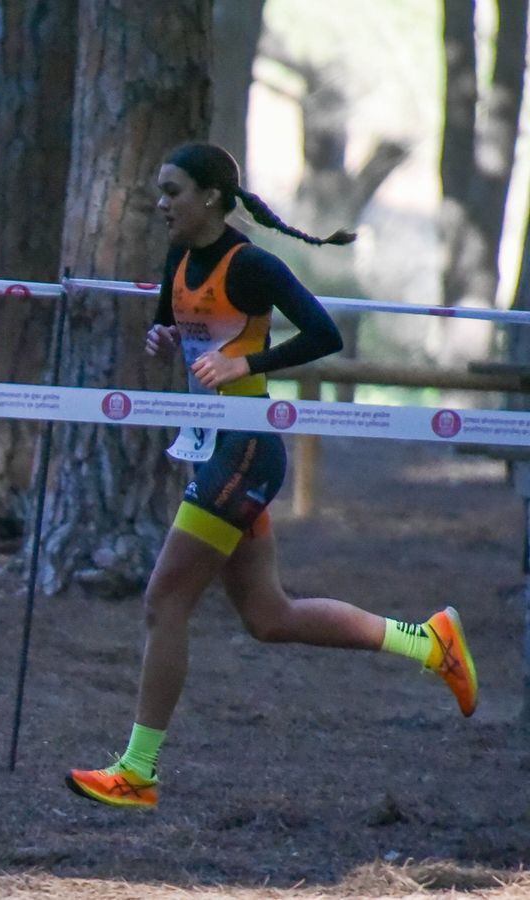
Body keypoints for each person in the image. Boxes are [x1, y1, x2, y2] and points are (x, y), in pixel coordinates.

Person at [64, 142, 478, 809]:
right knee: (267, 615)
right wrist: (162, 340)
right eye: (158, 193)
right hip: (216, 447)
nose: (161, 204)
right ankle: (429, 643)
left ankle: (137, 772)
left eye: (172, 192)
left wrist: (246, 368)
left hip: (246, 449)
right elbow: (176, 326)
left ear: (210, 198)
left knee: (164, 601)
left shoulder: (251, 265)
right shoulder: (178, 257)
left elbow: (323, 334)